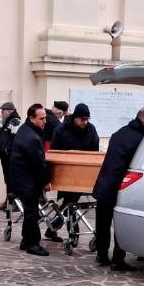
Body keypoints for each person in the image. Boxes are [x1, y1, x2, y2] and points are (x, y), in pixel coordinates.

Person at [92, 106, 144, 271]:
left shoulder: (120, 132)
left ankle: (101, 255)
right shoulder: (141, 140)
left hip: (104, 183)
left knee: (102, 222)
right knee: (122, 223)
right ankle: (118, 259)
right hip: (121, 187)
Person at [46, 103, 100, 243]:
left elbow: (94, 150)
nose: (85, 122)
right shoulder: (61, 129)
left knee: (70, 203)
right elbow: (55, 151)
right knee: (70, 202)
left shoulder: (91, 129)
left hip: (81, 173)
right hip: (65, 173)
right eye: (82, 119)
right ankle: (72, 232)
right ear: (75, 117)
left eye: (87, 119)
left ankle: (58, 229)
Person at [9, 104, 51, 257]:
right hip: (27, 180)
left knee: (30, 211)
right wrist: (46, 180)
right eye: (41, 118)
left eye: (45, 117)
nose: (45, 121)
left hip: (22, 179)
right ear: (32, 118)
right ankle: (33, 244)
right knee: (32, 212)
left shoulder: (27, 130)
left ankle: (26, 240)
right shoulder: (31, 137)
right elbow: (37, 163)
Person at [0, 101, 21, 211]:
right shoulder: (7, 121)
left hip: (10, 156)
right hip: (5, 156)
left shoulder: (15, 120)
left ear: (10, 111)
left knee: (12, 180)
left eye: (3, 110)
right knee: (8, 180)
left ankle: (14, 203)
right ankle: (8, 202)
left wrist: (7, 149)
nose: (2, 112)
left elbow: (14, 137)